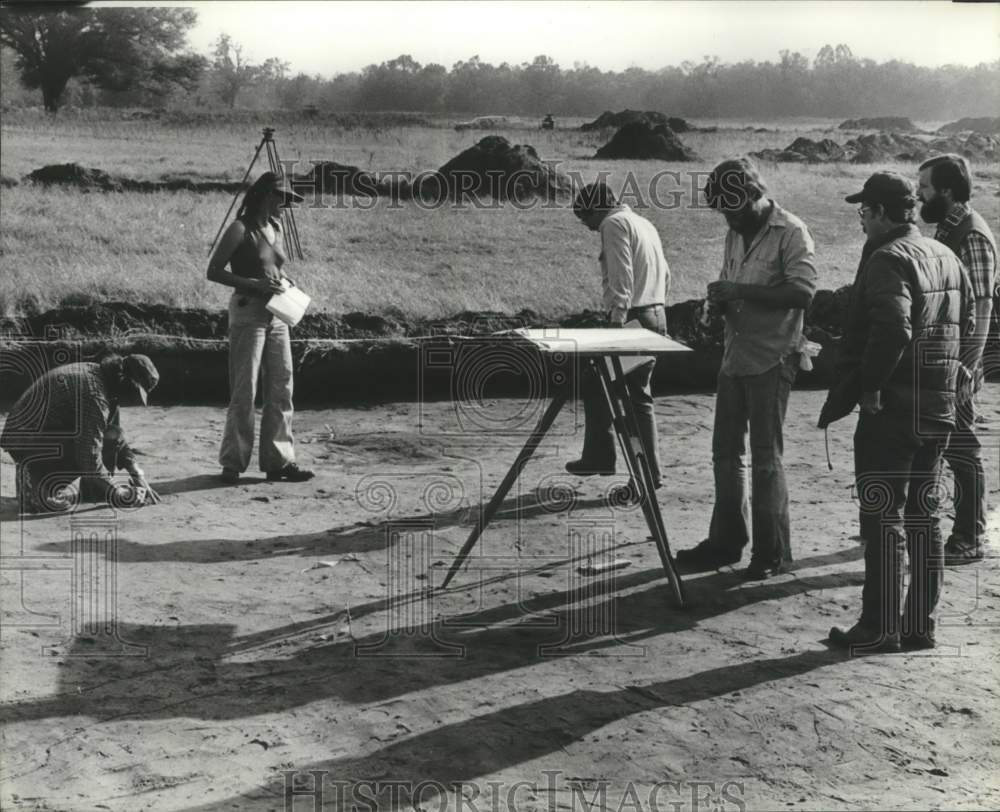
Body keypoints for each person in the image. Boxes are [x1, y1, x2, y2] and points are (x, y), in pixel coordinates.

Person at [820, 171, 974, 653]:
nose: (861, 221)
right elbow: (968, 323)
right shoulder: (945, 253)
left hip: (893, 407)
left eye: (864, 212)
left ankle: (879, 625)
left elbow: (892, 329)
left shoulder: (888, 258)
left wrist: (868, 388)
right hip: (938, 407)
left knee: (883, 517)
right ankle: (917, 626)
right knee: (924, 518)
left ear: (883, 213)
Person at [675, 158, 817, 580]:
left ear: (756, 195)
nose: (729, 218)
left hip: (773, 357)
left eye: (735, 209)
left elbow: (804, 292)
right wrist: (717, 305)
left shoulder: (792, 232)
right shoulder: (734, 233)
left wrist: (741, 291)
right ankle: (725, 543)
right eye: (723, 211)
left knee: (765, 459)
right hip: (734, 356)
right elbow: (728, 282)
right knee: (725, 454)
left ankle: (771, 553)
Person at [207, 171, 314, 485]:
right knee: (245, 388)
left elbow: (272, 266)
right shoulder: (240, 228)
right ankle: (232, 464)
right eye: (283, 198)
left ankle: (278, 461)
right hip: (248, 311)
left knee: (282, 387)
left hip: (277, 312)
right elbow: (213, 271)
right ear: (268, 196)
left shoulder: (275, 227)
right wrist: (251, 284)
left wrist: (285, 281)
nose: (286, 205)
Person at [565, 181, 670, 495]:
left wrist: (616, 320)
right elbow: (665, 272)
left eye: (586, 220)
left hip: (633, 318)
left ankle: (645, 476)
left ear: (596, 209)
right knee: (603, 386)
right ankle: (601, 454)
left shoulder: (612, 224)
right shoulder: (643, 223)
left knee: (634, 400)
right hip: (655, 313)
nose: (588, 228)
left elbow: (621, 274)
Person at [918, 153, 997, 566]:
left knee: (963, 447)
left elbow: (982, 308)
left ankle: (970, 536)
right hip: (945, 359)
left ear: (947, 191)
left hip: (959, 364)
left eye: (926, 187)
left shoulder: (972, 236)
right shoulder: (949, 230)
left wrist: (967, 366)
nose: (918, 195)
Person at [1, 354, 160, 513]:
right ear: (125, 381)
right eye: (134, 392)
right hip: (26, 440)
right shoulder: (95, 395)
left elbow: (115, 437)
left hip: (33, 435)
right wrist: (118, 491)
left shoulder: (103, 379)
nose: (133, 400)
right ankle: (37, 487)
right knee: (89, 446)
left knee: (109, 435)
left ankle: (96, 491)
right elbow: (88, 456)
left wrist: (137, 473)